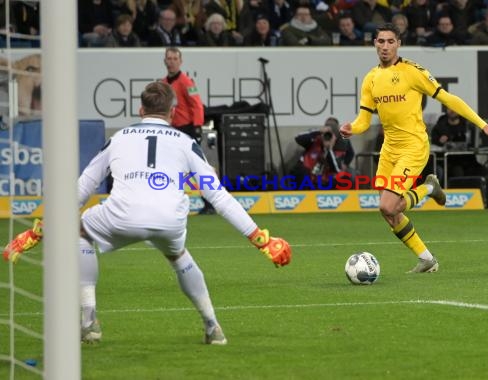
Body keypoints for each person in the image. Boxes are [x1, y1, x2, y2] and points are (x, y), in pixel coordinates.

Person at [3, 82, 292, 346]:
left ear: (141, 110)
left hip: (120, 216)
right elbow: (218, 196)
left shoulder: (119, 138)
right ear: (173, 112)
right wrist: (261, 239)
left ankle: (89, 319)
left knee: (79, 230)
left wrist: (37, 231)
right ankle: (212, 326)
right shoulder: (185, 142)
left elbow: (80, 190)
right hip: (169, 220)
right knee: (178, 256)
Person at [339, 23, 488, 273]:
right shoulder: (371, 79)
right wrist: (352, 128)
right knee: (388, 213)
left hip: (413, 146)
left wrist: (483, 125)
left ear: (399, 44)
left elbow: (448, 99)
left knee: (388, 205)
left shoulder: (411, 71)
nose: (385, 46)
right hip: (389, 150)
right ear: (374, 43)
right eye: (380, 41)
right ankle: (427, 259)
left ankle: (428, 187)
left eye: (390, 41)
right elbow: (364, 119)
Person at [161, 47, 216, 214]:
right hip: (172, 130)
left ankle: (210, 202)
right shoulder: (163, 83)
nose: (170, 62)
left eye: (174, 59)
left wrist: (198, 127)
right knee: (171, 168)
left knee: (197, 167)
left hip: (188, 129)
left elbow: (197, 105)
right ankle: (172, 202)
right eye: (168, 59)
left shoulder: (186, 82)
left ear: (180, 61)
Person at [290, 117, 355, 189]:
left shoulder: (342, 141)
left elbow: (338, 167)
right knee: (300, 172)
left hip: (329, 174)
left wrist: (329, 148)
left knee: (347, 176)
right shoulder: (316, 136)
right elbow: (298, 137)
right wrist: (319, 131)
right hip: (310, 171)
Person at [430, 108, 488, 181]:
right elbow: (433, 144)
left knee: (484, 171)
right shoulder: (439, 127)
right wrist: (440, 142)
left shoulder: (467, 126)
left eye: (454, 108)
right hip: (449, 161)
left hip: (468, 160)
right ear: (446, 110)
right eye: (449, 108)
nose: (452, 110)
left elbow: (475, 143)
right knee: (457, 171)